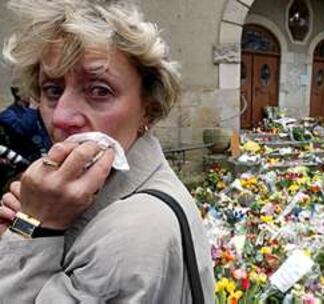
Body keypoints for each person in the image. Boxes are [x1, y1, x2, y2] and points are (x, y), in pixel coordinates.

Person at [0, 0, 215, 303]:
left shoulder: (136, 229)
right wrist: (25, 224)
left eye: (99, 90)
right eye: (52, 90)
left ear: (148, 110)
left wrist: (38, 225)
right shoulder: (89, 194)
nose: (61, 116)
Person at [0, 87, 52, 192]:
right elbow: (22, 129)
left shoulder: (37, 112)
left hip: (45, 159)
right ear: (20, 94)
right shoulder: (7, 115)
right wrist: (32, 109)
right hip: (23, 165)